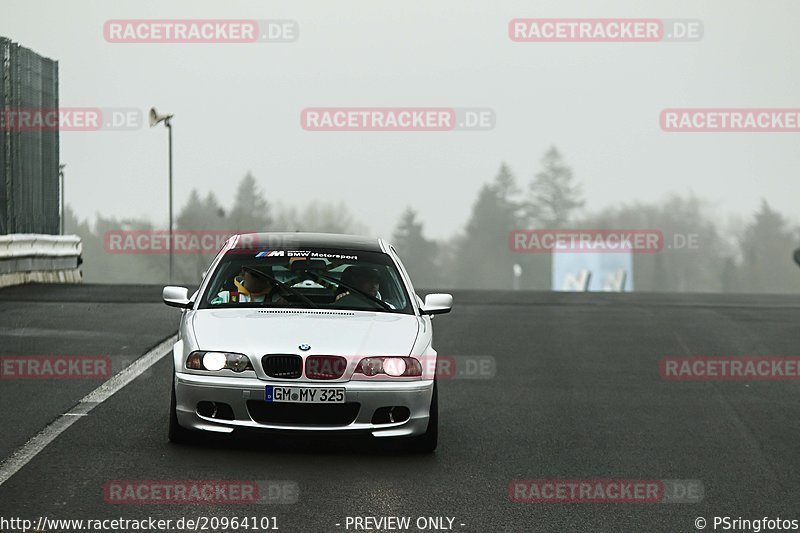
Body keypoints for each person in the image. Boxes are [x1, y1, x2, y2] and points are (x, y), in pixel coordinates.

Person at [211, 265, 282, 304]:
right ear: (243, 273)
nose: (260, 278)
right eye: (255, 274)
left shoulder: (278, 300)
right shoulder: (225, 297)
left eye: (265, 275)